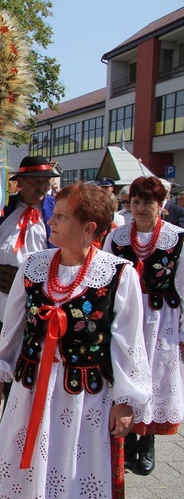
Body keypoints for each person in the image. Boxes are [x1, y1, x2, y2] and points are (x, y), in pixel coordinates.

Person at [0, 183, 151, 498]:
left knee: (75, 466)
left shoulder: (118, 274)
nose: (51, 221)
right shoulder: (34, 265)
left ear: (88, 228)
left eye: (60, 216)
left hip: (84, 396)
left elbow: (128, 343)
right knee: (24, 465)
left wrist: (125, 400)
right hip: (31, 388)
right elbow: (15, 327)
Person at [104, 175, 184, 475]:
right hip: (127, 316)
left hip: (161, 317)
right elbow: (108, 279)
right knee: (127, 369)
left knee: (155, 373)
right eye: (135, 202)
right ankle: (130, 438)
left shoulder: (177, 238)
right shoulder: (118, 237)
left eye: (147, 202)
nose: (140, 208)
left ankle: (148, 441)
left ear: (161, 204)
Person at [0, 155, 61, 429]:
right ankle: (1, 398)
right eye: (35, 182)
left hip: (35, 294)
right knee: (0, 350)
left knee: (22, 354)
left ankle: (13, 416)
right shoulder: (0, 208)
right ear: (20, 183)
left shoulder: (56, 212)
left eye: (45, 182)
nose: (41, 187)